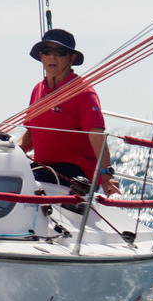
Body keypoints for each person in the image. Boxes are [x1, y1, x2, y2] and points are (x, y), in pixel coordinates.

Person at [18, 28, 120, 194]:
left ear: (71, 58)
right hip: (45, 168)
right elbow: (30, 135)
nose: (52, 56)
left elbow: (97, 135)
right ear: (41, 56)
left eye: (60, 52)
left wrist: (106, 175)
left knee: (26, 181)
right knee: (11, 177)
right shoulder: (38, 89)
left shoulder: (83, 91)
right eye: (47, 51)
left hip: (78, 172)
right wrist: (12, 151)